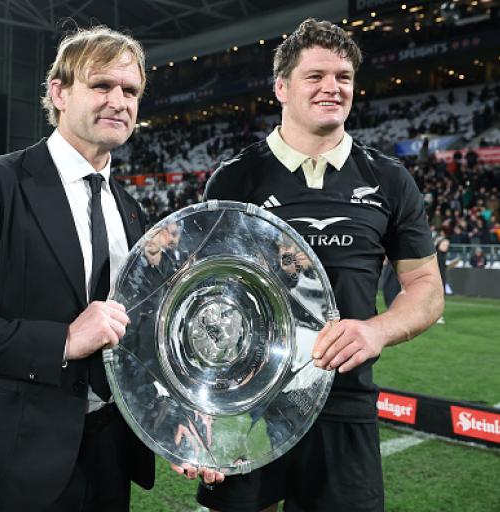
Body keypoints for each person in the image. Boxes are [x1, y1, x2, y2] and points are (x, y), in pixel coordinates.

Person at [189, 18, 444, 512]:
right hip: (251, 403)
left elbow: (425, 287)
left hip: (345, 403)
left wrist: (376, 330)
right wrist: (203, 408)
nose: (333, 87)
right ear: (281, 87)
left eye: (344, 77)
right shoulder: (234, 178)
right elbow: (205, 299)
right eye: (316, 76)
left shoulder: (388, 179)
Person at [0, 26, 154, 511]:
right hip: (15, 459)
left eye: (130, 91)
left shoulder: (131, 210)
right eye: (102, 85)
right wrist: (61, 341)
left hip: (112, 457)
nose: (119, 101)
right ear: (58, 92)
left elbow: (133, 335)